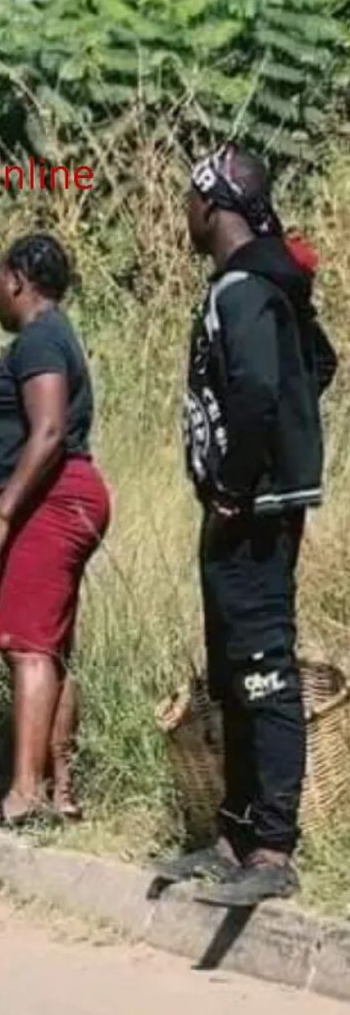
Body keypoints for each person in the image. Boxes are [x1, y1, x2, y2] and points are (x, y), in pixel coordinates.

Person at [157, 143, 336, 907]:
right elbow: (316, 366)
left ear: (212, 206)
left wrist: (239, 482)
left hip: (253, 511)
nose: (185, 216)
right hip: (245, 507)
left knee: (263, 669)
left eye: (190, 202)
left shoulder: (243, 290)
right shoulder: (259, 285)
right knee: (232, 668)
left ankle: (271, 848)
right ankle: (231, 835)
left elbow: (264, 387)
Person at [0, 233, 111, 828]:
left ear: (17, 280)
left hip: (52, 500)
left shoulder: (41, 337)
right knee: (48, 649)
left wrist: (3, 512)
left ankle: (24, 793)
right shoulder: (52, 335)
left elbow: (48, 431)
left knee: (28, 648)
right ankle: (60, 790)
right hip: (68, 496)